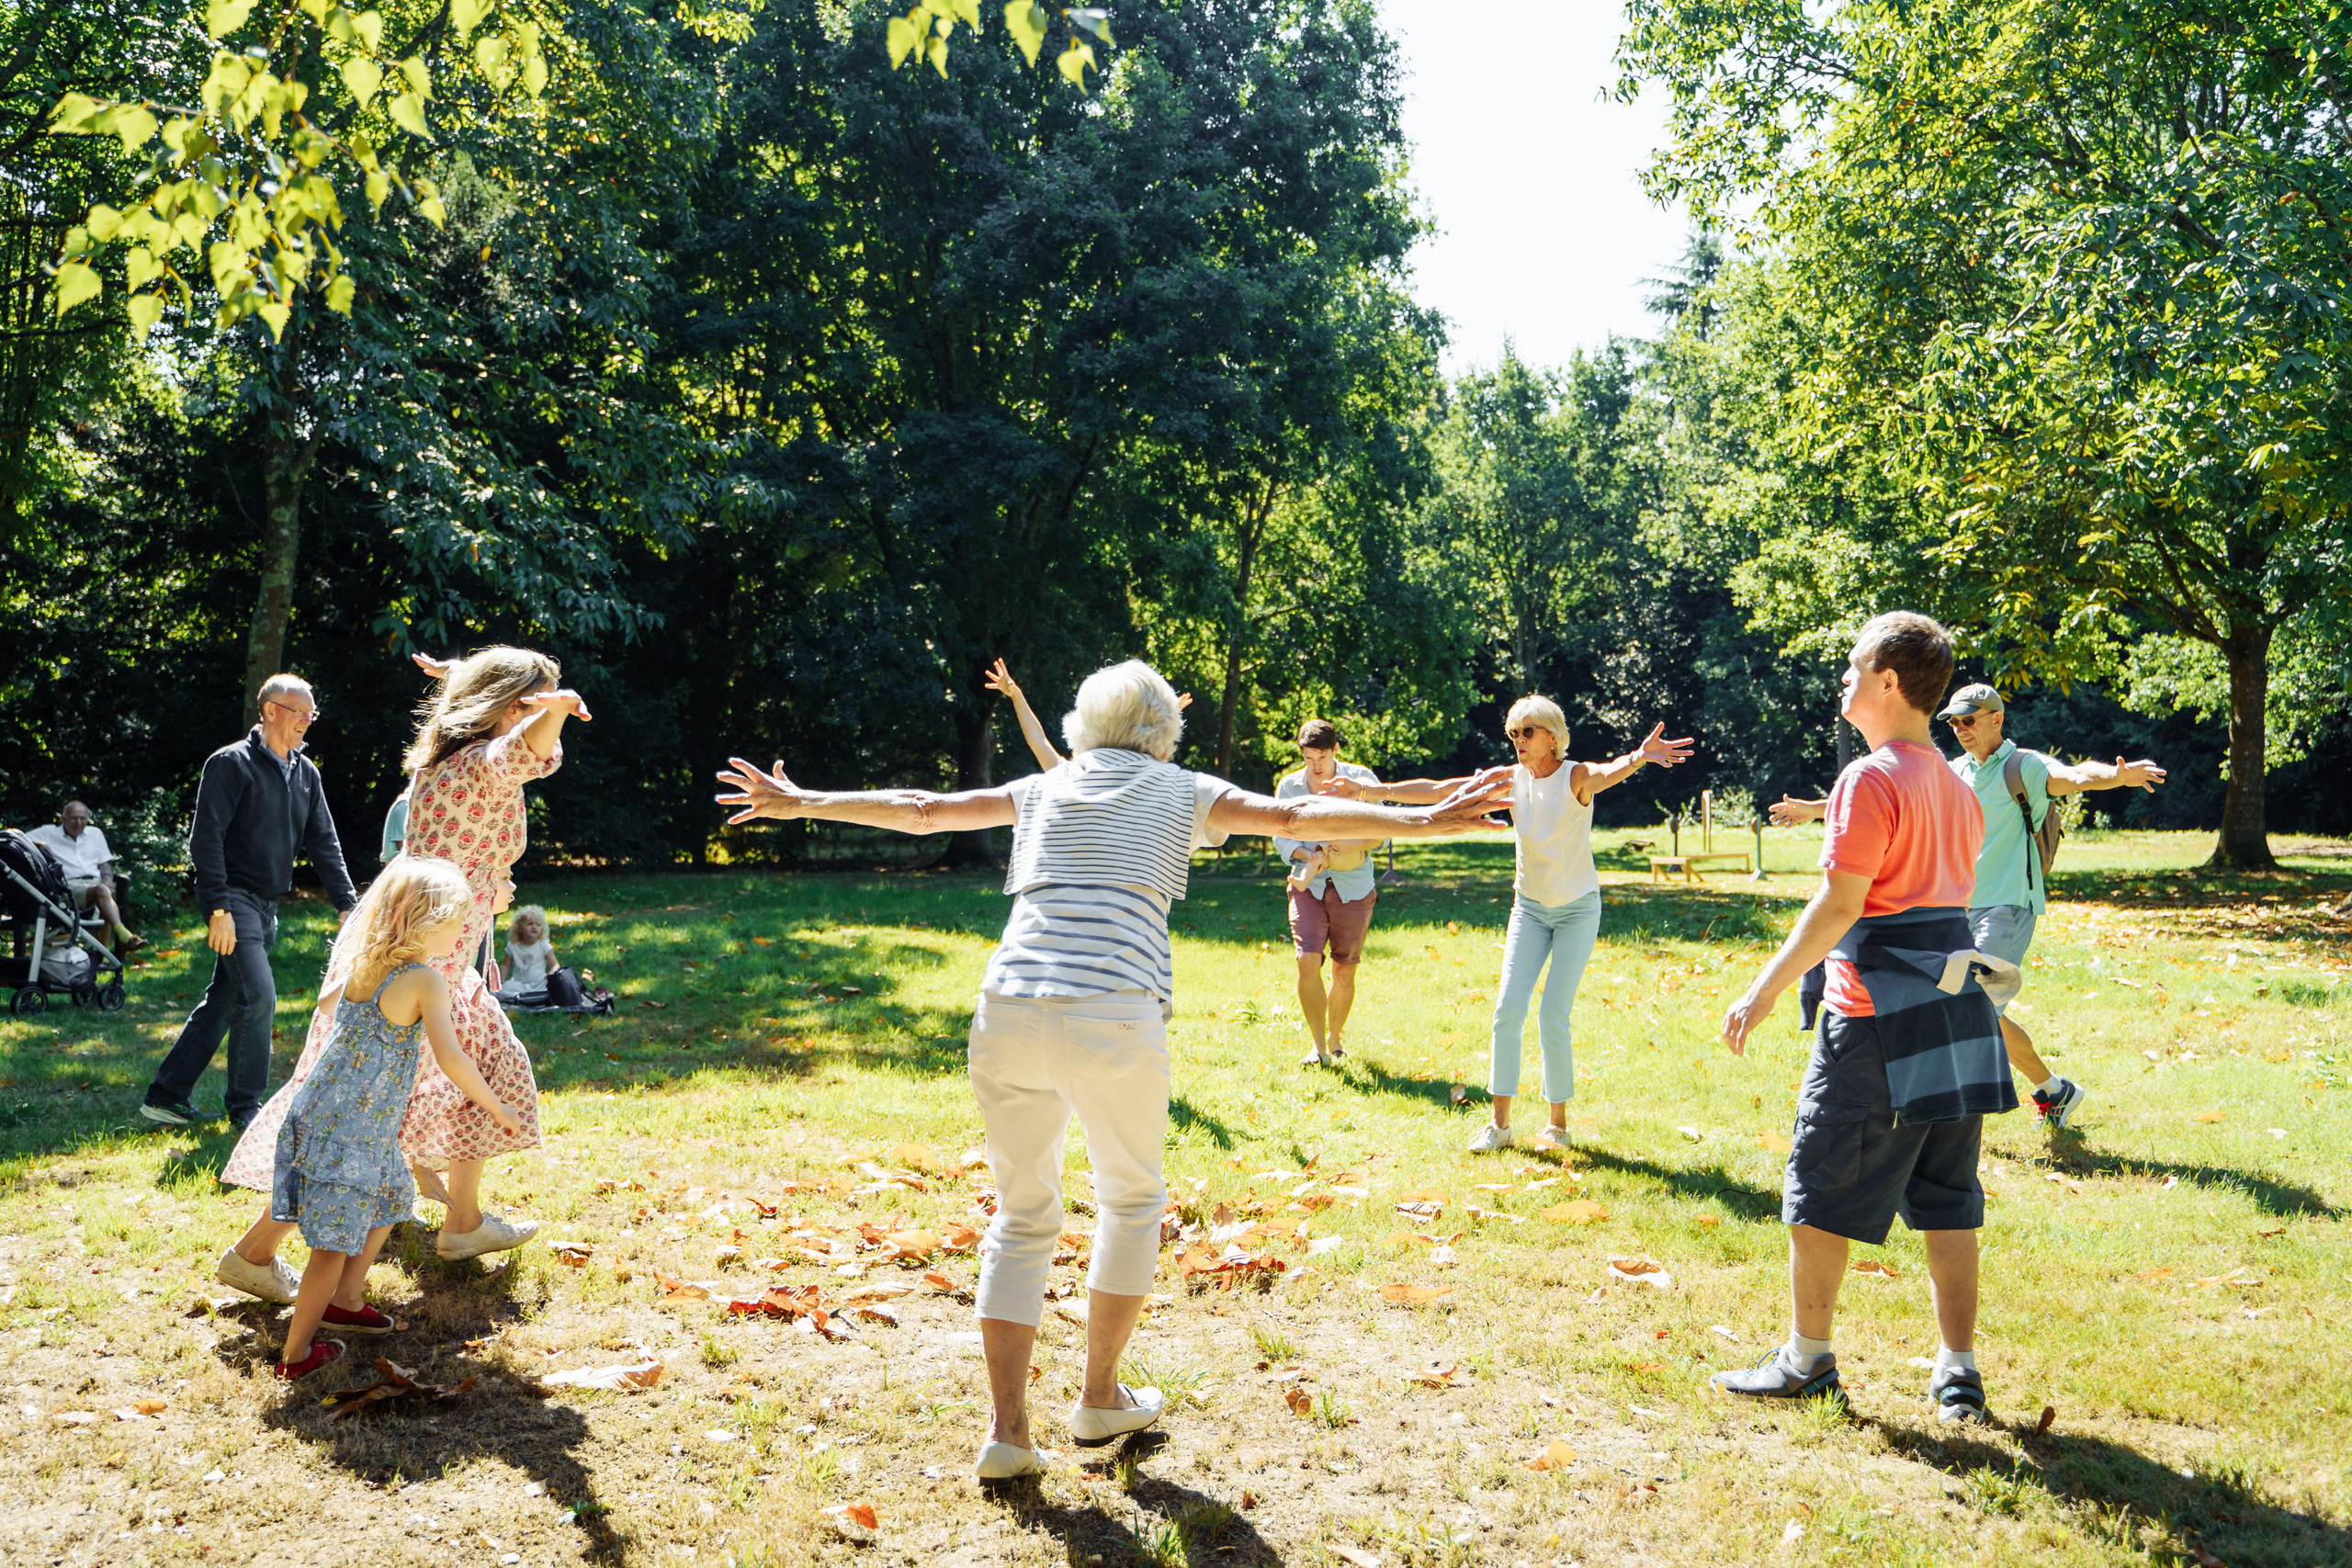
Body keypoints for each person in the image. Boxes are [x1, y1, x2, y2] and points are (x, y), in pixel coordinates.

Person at [717, 660, 1504, 1480]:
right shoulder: (1181, 788)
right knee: (1130, 1199)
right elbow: (1301, 811)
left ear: (1080, 724)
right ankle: (1098, 1394)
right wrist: (1429, 820)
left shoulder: (1047, 785)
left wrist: (804, 800)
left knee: (1021, 1217)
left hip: (1010, 1004)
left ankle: (1009, 1433)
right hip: (1114, 1009)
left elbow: (923, 811)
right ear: (1164, 731)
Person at [1716, 613, 2019, 1425]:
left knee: (1817, 1184)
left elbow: (1842, 902)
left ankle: (1806, 1360)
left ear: (1890, 681)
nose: (1842, 681)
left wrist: (1767, 987)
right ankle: (1958, 1372)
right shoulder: (1957, 784)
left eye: (1853, 668)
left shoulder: (1869, 777)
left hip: (1876, 1013)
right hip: (1959, 1010)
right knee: (1948, 1193)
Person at [218, 647, 583, 1271]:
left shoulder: (448, 760)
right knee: (358, 1110)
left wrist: (489, 884)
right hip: (418, 964)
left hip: (424, 951)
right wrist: (564, 706)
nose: (539, 716)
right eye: (531, 703)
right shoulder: (477, 764)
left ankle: (463, 1220)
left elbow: (491, 785)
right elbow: (520, 753)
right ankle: (256, 1252)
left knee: (477, 1059)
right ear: (510, 708)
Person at [1767, 683, 2165, 1127]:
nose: (1959, 729)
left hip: (2007, 906)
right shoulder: (1953, 771)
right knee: (1959, 1007)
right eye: (1953, 722)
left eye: (1969, 720)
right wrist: (1816, 809)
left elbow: (2072, 776)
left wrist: (2117, 776)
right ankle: (2053, 1090)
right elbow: (1896, 796)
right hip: (1954, 909)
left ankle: (2012, 1099)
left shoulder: (2023, 766)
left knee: (1974, 1007)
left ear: (1997, 719)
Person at [1336, 699, 1693, 1151]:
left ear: (1552, 736)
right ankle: (1500, 1126)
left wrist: (1641, 756)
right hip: (1529, 909)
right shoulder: (1511, 779)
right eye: (1512, 734)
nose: (1518, 741)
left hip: (1577, 910)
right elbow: (1440, 789)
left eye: (1527, 732)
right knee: (1506, 1011)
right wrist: (1370, 791)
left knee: (1552, 1014)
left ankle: (1557, 1126)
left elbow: (1611, 771)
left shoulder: (1575, 777)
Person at [270, 857, 523, 1380]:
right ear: (428, 921)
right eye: (456, 920)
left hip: (338, 1116)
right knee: (331, 1244)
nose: (461, 931)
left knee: (391, 1198)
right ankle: (294, 1358)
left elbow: (324, 1005)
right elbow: (453, 1057)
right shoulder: (425, 980)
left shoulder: (368, 962)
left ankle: (346, 1299)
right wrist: (497, 1106)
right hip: (351, 1129)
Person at [141, 676, 358, 1132]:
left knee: (225, 999)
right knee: (259, 995)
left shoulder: (306, 773)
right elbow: (206, 839)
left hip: (265, 905)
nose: (306, 720)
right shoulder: (230, 763)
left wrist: (347, 903)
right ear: (270, 711)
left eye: (311, 713)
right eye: (299, 711)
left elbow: (324, 841)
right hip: (232, 900)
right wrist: (218, 908)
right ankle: (246, 1109)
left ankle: (165, 1096)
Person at [1272, 720, 1384, 1067]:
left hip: (1354, 884)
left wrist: (1347, 846)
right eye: (1308, 758)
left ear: (1336, 750)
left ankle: (1336, 1041)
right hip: (1308, 883)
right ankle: (1317, 1048)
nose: (1315, 766)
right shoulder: (1289, 786)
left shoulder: (1361, 779)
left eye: (1321, 756)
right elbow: (1280, 834)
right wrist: (1310, 857)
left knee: (1343, 970)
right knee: (1307, 959)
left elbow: (1383, 832)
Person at [26, 799, 143, 952]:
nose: (78, 822)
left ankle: (102, 955)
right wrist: (41, 844)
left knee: (102, 896)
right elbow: (11, 836)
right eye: (74, 818)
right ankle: (124, 936)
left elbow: (104, 863)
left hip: (96, 885)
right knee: (101, 892)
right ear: (63, 818)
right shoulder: (48, 833)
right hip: (68, 887)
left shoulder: (95, 833)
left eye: (82, 818)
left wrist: (108, 879)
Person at [496, 905, 556, 1003]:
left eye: (538, 924)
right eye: (530, 924)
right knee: (499, 989)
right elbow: (505, 966)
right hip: (519, 984)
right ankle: (527, 997)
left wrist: (551, 974)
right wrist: (501, 981)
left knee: (549, 985)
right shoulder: (513, 946)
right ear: (519, 928)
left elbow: (555, 965)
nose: (534, 927)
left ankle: (520, 998)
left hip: (539, 983)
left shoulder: (544, 945)